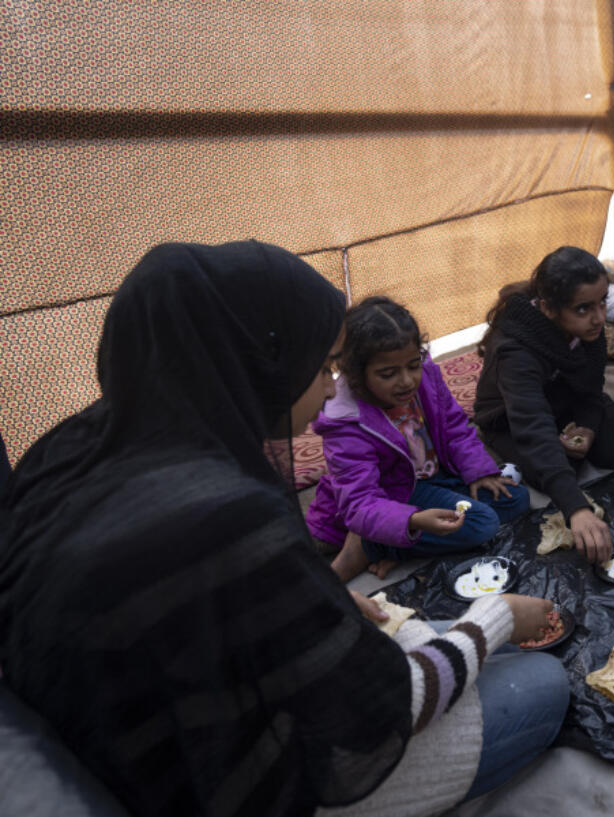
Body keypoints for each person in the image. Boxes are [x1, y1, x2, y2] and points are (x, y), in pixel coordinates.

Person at [0, 241, 567, 817]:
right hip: (241, 782)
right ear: (258, 365)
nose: (327, 389)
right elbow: (386, 706)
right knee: (541, 682)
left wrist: (318, 599)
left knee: (425, 633)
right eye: (320, 368)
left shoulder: (68, 451)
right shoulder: (225, 517)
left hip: (133, 749)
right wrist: (496, 617)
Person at [307, 296, 530, 582]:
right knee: (482, 523)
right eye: (388, 374)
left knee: (515, 498)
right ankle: (371, 544)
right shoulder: (345, 420)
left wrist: (478, 471)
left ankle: (392, 540)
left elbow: (453, 425)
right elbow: (359, 501)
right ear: (355, 374)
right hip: (392, 495)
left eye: (412, 365)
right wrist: (410, 521)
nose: (406, 381)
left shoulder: (426, 374)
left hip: (433, 477)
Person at [474, 246, 614, 564]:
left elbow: (591, 391)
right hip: (510, 420)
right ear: (547, 309)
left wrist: (589, 427)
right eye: (583, 309)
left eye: (602, 302)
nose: (598, 318)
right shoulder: (515, 351)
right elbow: (532, 426)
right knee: (558, 471)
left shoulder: (587, 329)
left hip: (562, 402)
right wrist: (577, 509)